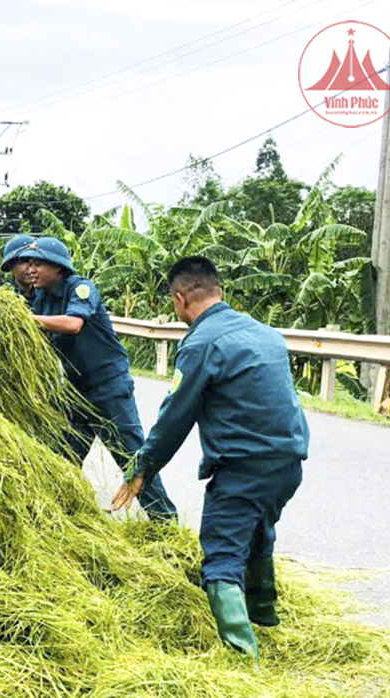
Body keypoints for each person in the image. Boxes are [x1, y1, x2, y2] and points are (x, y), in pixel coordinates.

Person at [112, 256, 308, 661]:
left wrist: (141, 468)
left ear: (181, 299)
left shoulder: (201, 343)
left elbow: (175, 416)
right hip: (288, 463)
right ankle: (265, 618)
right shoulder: (266, 333)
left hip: (243, 467)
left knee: (221, 556)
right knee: (257, 535)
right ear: (219, 291)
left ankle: (241, 657)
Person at [18, 237, 178, 521]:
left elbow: (73, 324)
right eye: (29, 263)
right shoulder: (40, 297)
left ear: (57, 268)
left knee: (130, 456)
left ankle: (164, 521)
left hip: (109, 386)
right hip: (75, 390)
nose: (32, 269)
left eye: (38, 263)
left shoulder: (80, 288)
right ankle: (62, 516)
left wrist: (24, 319)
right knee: (62, 454)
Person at [1, 234, 37, 303]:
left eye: (35, 261)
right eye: (24, 261)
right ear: (10, 266)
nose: (31, 267)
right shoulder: (4, 297)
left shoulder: (48, 293)